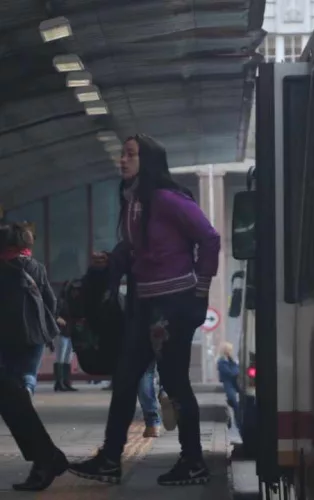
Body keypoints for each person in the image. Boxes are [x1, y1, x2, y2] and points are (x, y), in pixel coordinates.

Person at [69, 134, 220, 486]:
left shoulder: (167, 199)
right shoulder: (134, 201)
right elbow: (135, 247)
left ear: (147, 161)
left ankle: (193, 460)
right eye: (122, 154)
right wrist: (112, 260)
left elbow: (209, 238)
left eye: (130, 155)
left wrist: (200, 291)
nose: (122, 160)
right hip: (145, 307)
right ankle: (110, 459)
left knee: (175, 383)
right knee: (123, 380)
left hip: (173, 306)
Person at [0, 223, 68, 491]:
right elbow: (49, 300)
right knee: (14, 396)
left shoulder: (4, 269)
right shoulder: (34, 266)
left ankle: (47, 458)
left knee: (12, 397)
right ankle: (47, 458)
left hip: (9, 339)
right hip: (33, 336)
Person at [217, 342, 241, 434]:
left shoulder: (231, 360)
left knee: (236, 405)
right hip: (229, 384)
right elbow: (230, 372)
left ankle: (237, 423)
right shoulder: (222, 361)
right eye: (229, 350)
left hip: (234, 384)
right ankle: (235, 424)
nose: (230, 351)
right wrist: (236, 372)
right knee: (233, 402)